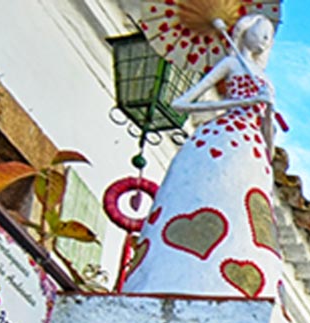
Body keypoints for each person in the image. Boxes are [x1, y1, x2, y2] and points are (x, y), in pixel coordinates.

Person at [120, 14, 283, 300]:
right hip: (224, 136)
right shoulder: (231, 65)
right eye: (261, 32)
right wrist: (243, 102)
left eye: (269, 36)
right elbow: (182, 102)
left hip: (252, 149)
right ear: (245, 33)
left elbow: (267, 127)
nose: (265, 40)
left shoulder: (265, 80)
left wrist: (267, 128)